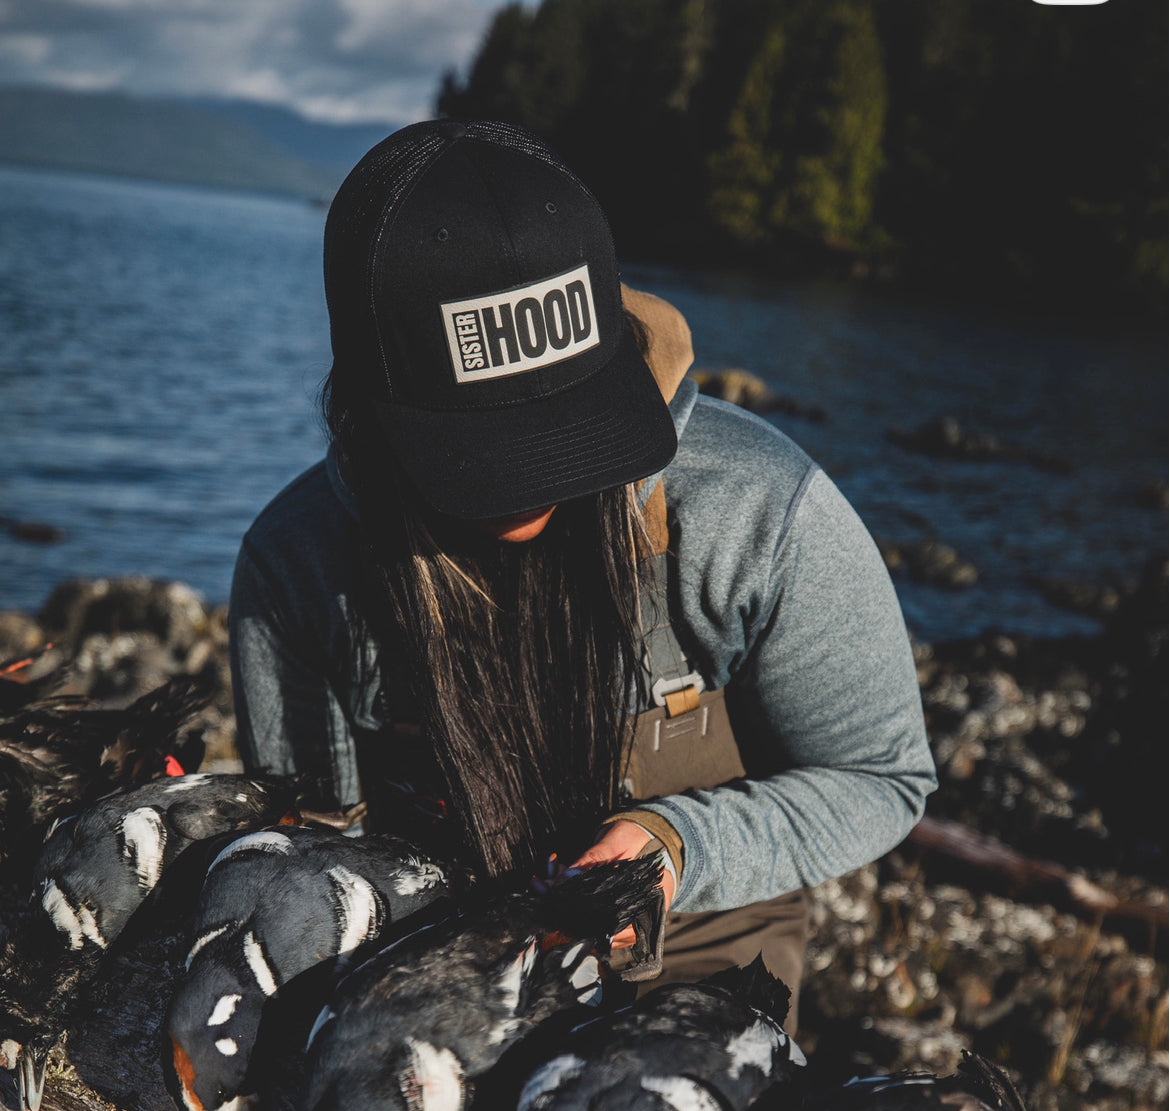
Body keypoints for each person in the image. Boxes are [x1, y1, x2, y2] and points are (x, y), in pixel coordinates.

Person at [229, 119, 936, 1027]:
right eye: (484, 450)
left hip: (707, 960)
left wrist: (677, 844)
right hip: (437, 968)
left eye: (566, 430)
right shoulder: (300, 566)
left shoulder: (758, 510)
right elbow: (314, 857)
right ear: (372, 411)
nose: (537, 487)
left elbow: (883, 778)